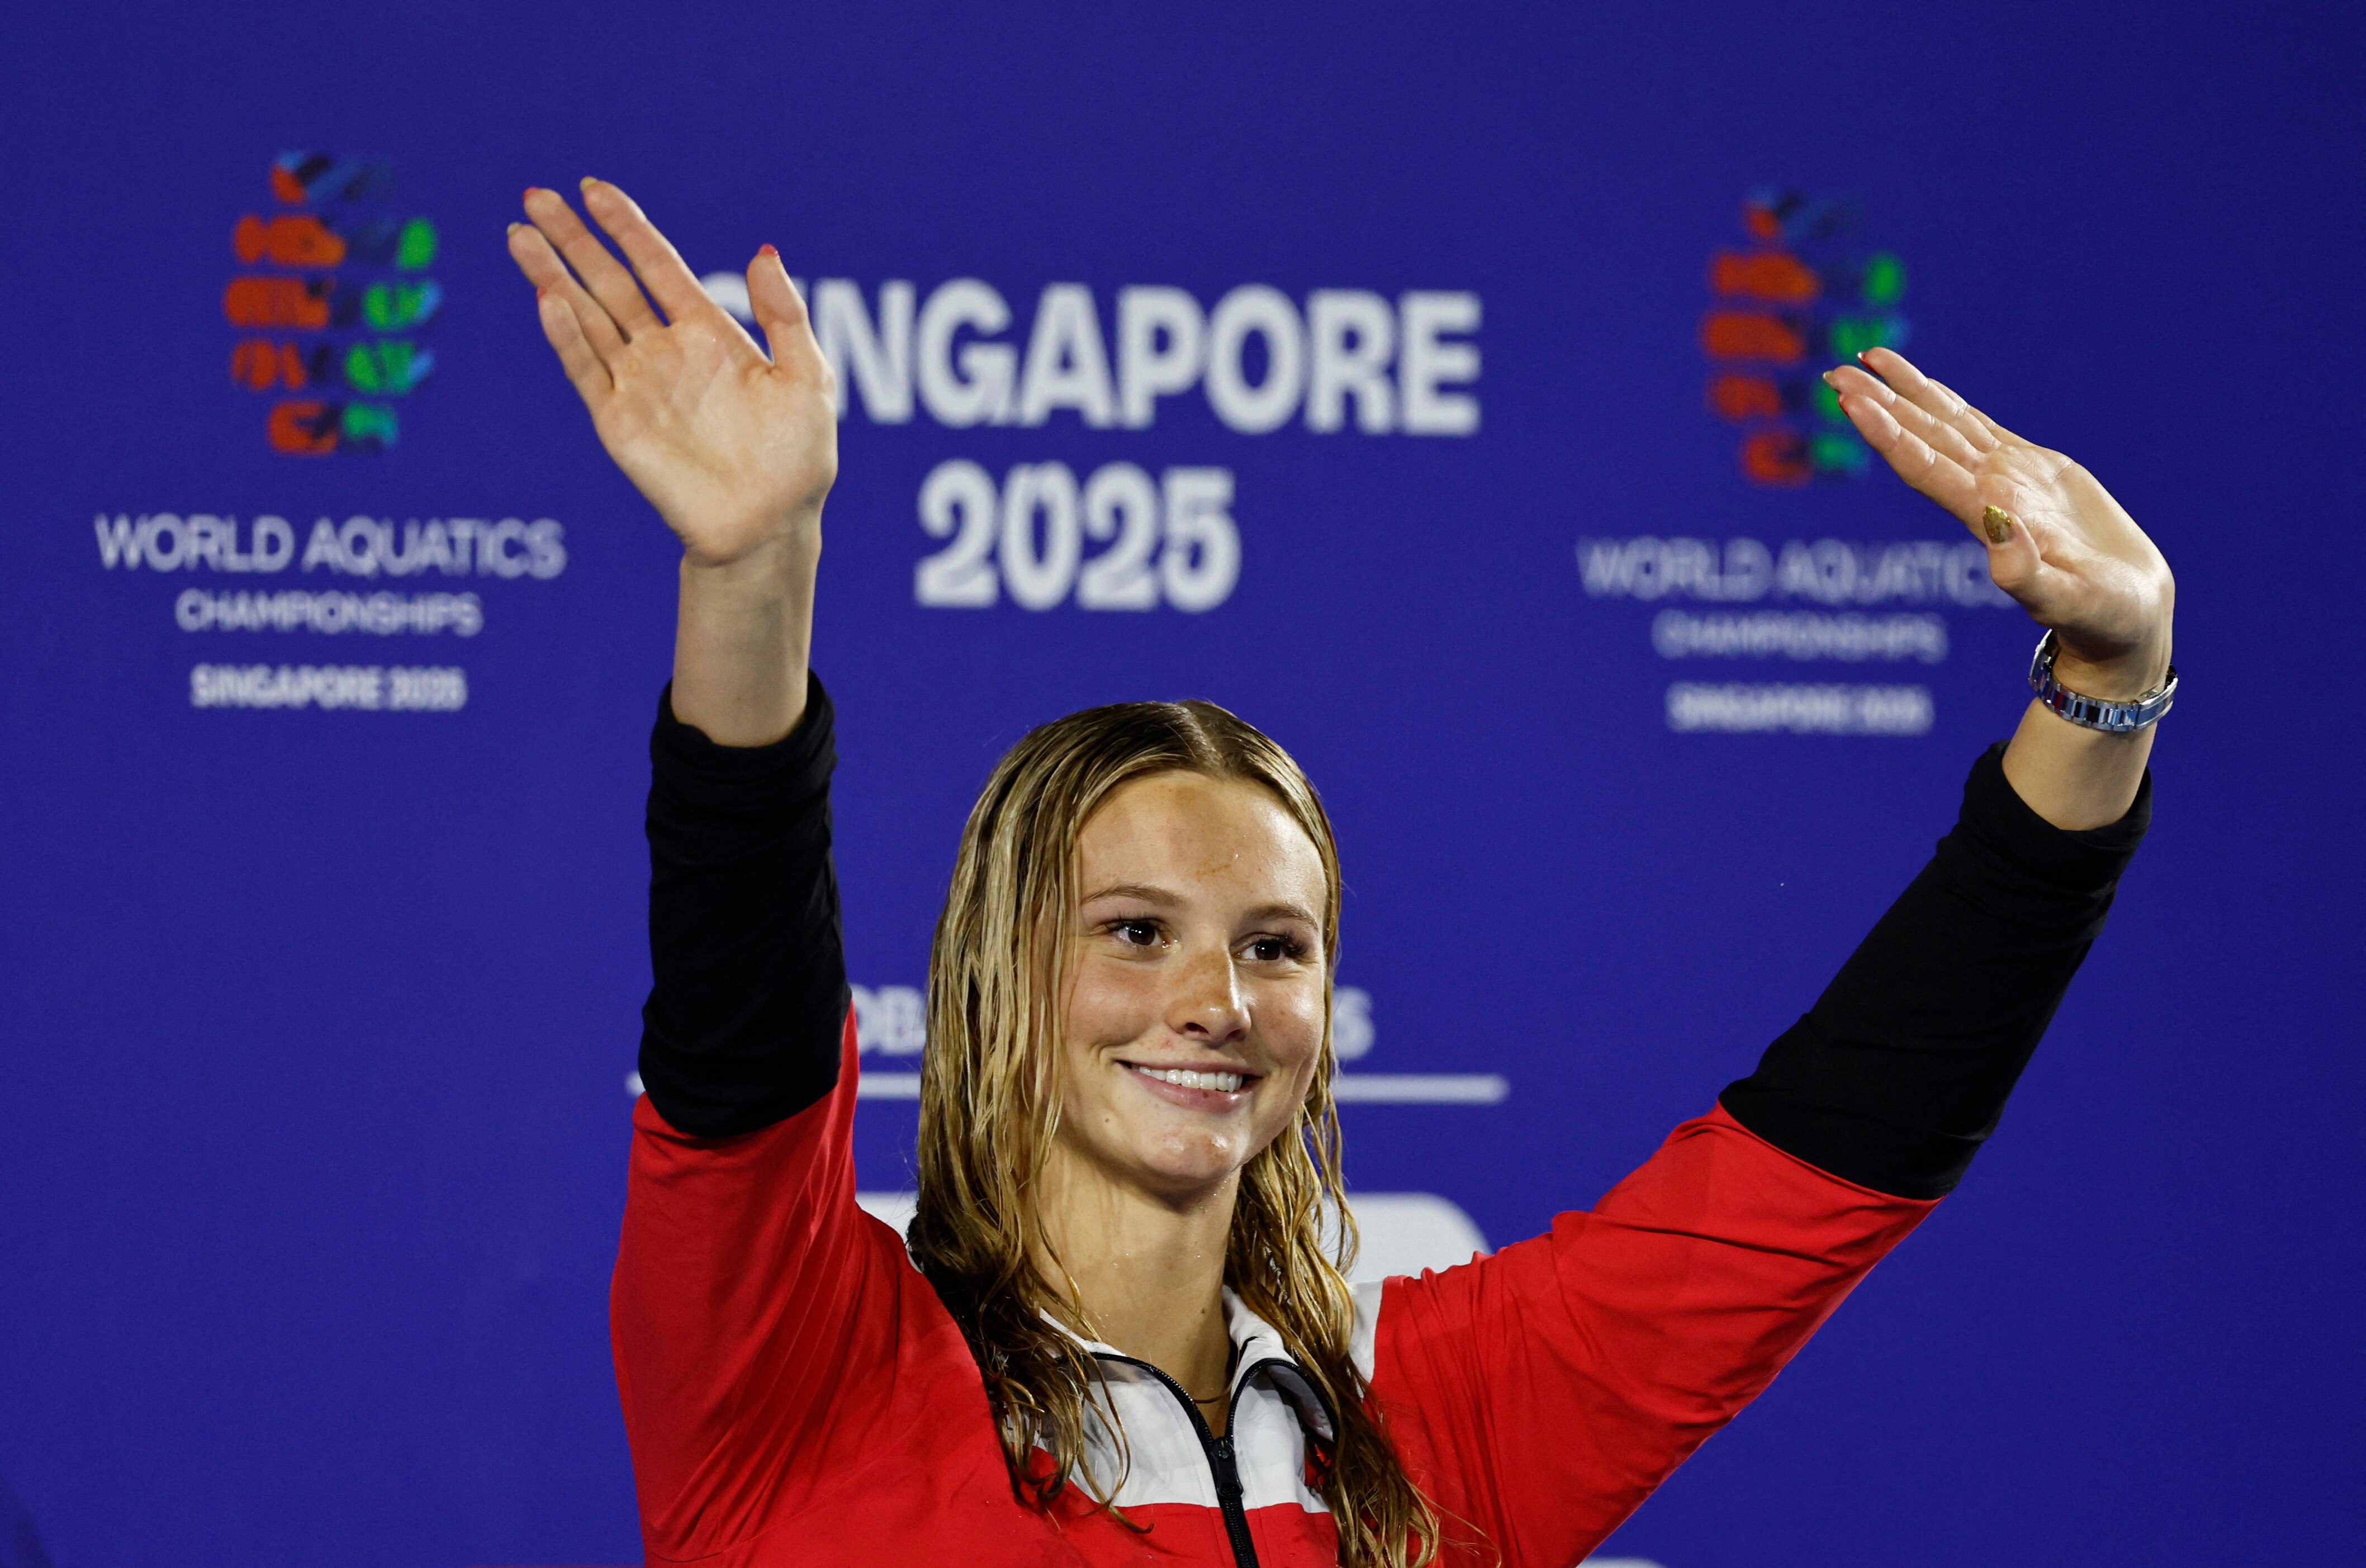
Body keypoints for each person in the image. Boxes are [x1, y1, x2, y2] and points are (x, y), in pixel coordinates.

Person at [506, 179, 2175, 1568]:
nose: (1215, 1003)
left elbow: (1834, 1144)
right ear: (1002, 970)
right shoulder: (801, 1360)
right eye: (1135, 930)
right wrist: (755, 567)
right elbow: (742, 1013)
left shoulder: (1435, 1420)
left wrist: (2106, 681)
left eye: (1276, 947)